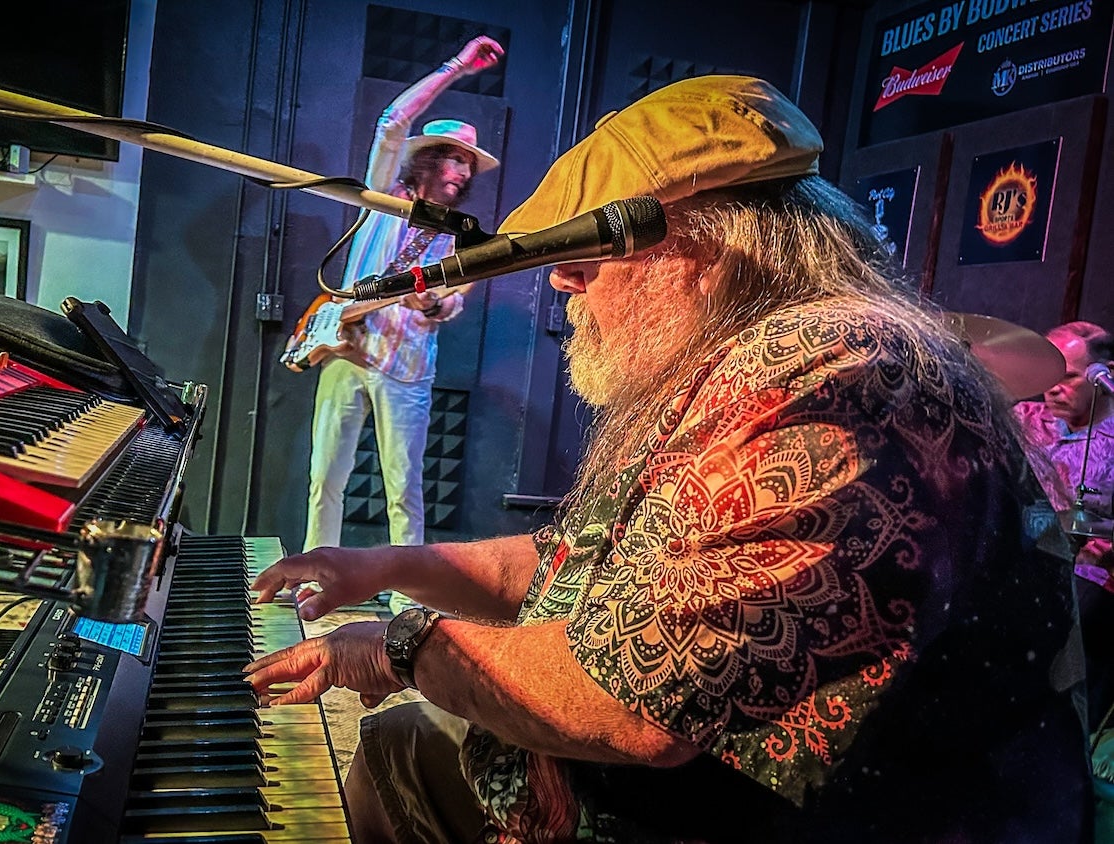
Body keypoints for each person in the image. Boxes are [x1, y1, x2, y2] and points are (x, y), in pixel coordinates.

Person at [248, 75, 1091, 842]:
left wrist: (397, 647)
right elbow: (588, 562)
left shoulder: (837, 375)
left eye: (582, 257)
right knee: (401, 744)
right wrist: (392, 564)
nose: (563, 284)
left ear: (700, 247)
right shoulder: (764, 357)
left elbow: (636, 704)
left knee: (397, 750)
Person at [303, 36, 503, 563]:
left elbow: (456, 300)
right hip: (348, 352)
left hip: (409, 365)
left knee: (404, 488)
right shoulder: (382, 197)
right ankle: (314, 571)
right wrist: (458, 66)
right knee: (326, 476)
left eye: (468, 164)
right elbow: (393, 121)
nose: (462, 172)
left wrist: (435, 306)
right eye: (454, 160)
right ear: (427, 162)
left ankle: (404, 594)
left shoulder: (463, 236)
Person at [1016, 320, 1114, 734]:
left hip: (1086, 590)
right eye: (1047, 375)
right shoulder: (1021, 417)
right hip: (1018, 568)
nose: (1052, 387)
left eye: (1069, 376)